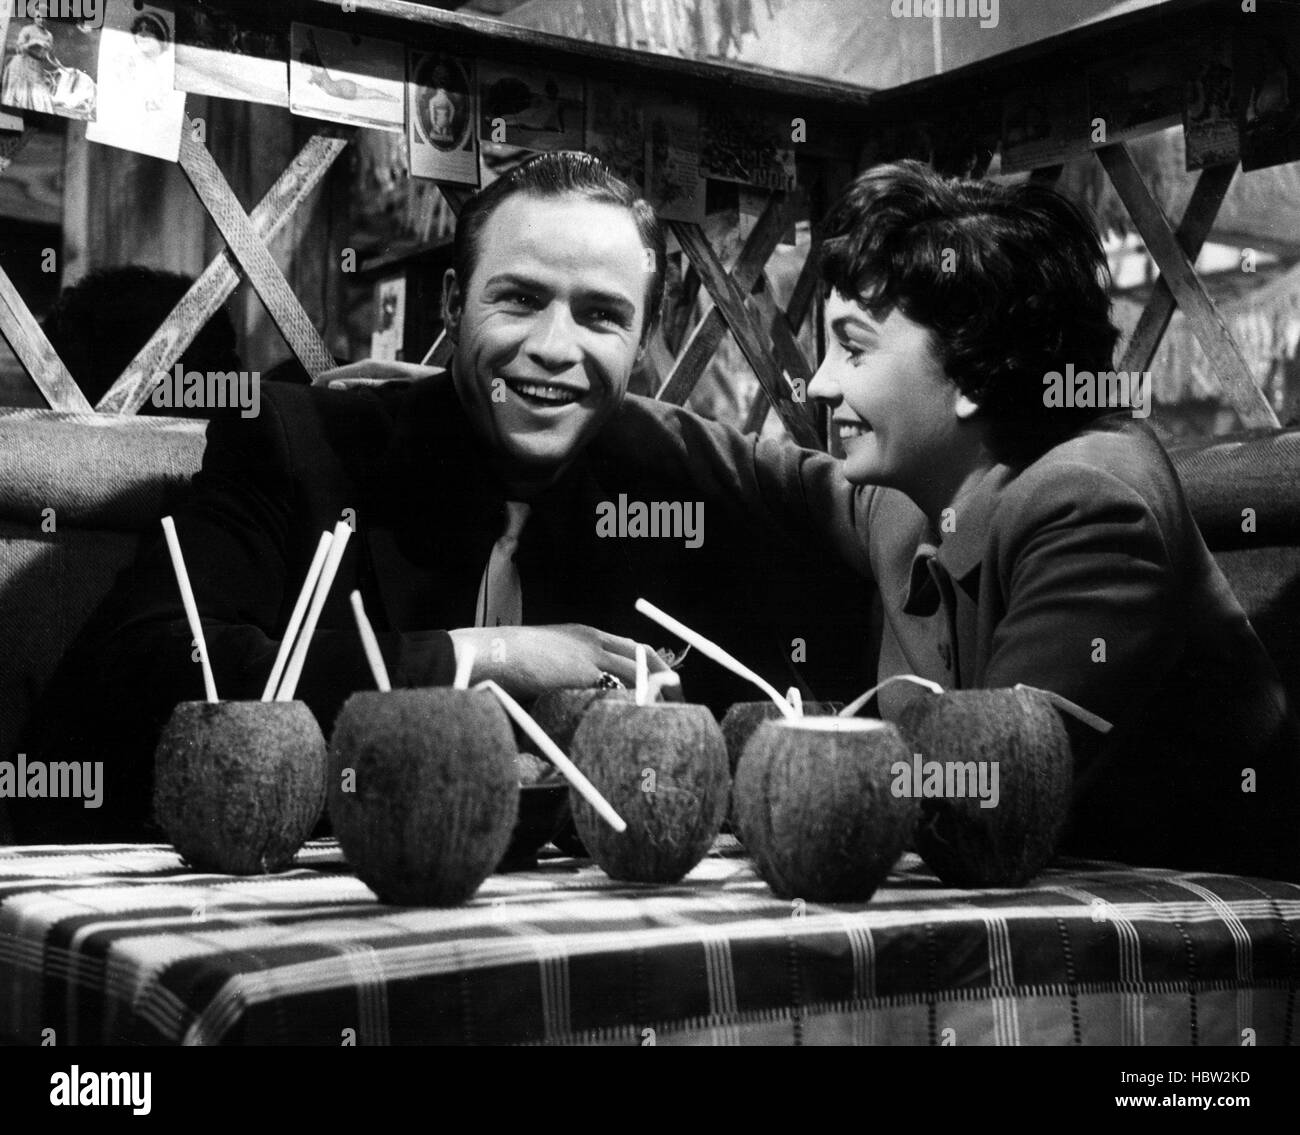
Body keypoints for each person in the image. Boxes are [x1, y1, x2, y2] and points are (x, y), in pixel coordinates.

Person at [16, 152, 869, 842]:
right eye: (521, 299)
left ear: (641, 344)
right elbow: (132, 678)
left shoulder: (667, 481)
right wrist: (479, 655)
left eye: (601, 316)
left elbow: (860, 533)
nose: (554, 347)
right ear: (456, 305)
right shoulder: (298, 445)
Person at [594, 160, 1300, 881]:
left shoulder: (1094, 506)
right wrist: (579, 395)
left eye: (854, 346)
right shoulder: (907, 494)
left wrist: (788, 768)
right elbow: (750, 471)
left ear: (967, 370)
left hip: (1199, 933)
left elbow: (988, 796)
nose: (821, 381)